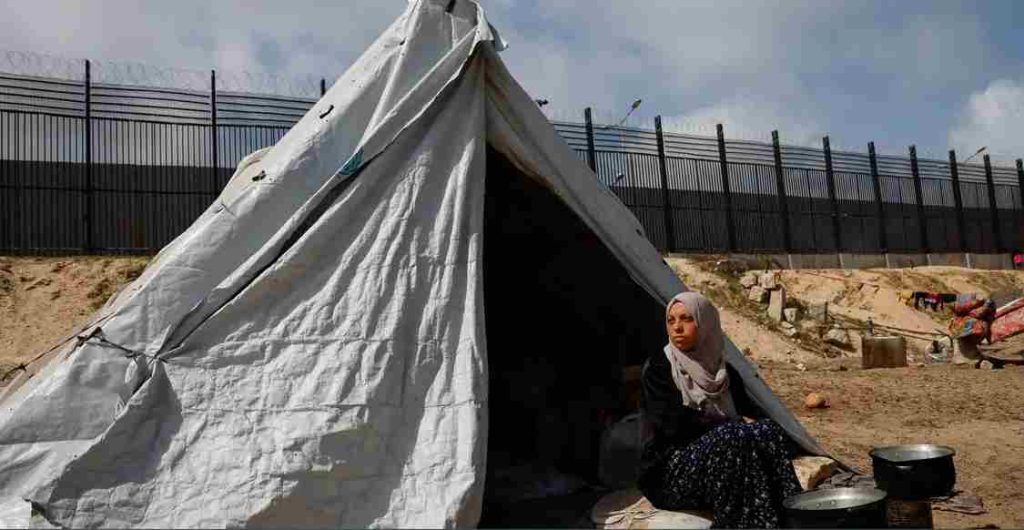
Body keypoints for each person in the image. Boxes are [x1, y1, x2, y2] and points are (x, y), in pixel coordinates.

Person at [637, 291, 801, 528]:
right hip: (671, 473)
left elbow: (749, 414)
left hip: (725, 460)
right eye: (671, 321)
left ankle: (794, 516)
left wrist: (749, 426)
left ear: (706, 323)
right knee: (733, 435)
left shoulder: (724, 371)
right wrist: (727, 425)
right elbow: (671, 427)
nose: (677, 328)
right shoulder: (659, 369)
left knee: (767, 430)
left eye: (687, 319)